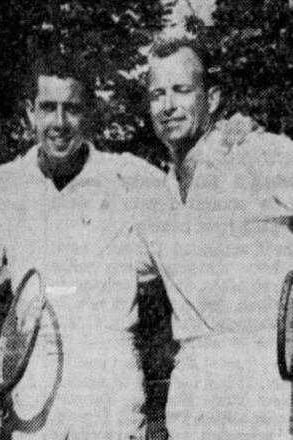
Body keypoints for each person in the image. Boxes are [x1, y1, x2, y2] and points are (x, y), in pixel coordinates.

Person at [0, 52, 177, 439]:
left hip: (109, 380)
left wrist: (228, 137)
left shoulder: (130, 178)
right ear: (30, 114)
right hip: (33, 374)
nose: (59, 123)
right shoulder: (3, 183)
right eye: (48, 108)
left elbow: (190, 225)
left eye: (72, 109)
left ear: (89, 114)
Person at [146, 36, 293, 439]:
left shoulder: (259, 153)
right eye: (157, 94)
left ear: (211, 99)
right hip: (192, 393)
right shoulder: (156, 193)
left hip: (266, 387)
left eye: (182, 90)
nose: (168, 105)